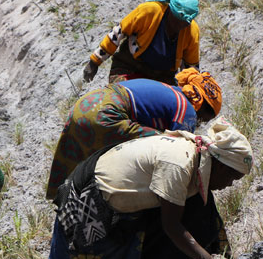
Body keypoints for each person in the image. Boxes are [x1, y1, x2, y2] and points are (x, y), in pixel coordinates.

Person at [42, 118, 252, 259]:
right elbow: (172, 226)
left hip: (117, 199)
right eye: (231, 178)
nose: (230, 185)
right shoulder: (179, 163)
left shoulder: (194, 157)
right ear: (220, 166)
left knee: (198, 210)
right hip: (89, 200)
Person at [45, 68, 222, 200]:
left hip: (85, 105)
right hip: (106, 114)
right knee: (162, 143)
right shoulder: (187, 109)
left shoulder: (169, 91)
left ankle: (63, 200)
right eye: (207, 116)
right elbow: (180, 151)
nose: (203, 122)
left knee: (77, 174)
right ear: (202, 103)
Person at [83, 0, 201, 85]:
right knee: (124, 99)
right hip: (129, 68)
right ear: (170, 10)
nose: (179, 26)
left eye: (184, 23)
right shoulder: (149, 11)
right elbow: (118, 33)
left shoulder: (191, 30)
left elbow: (191, 67)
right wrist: (94, 62)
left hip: (162, 78)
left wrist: (192, 89)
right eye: (176, 21)